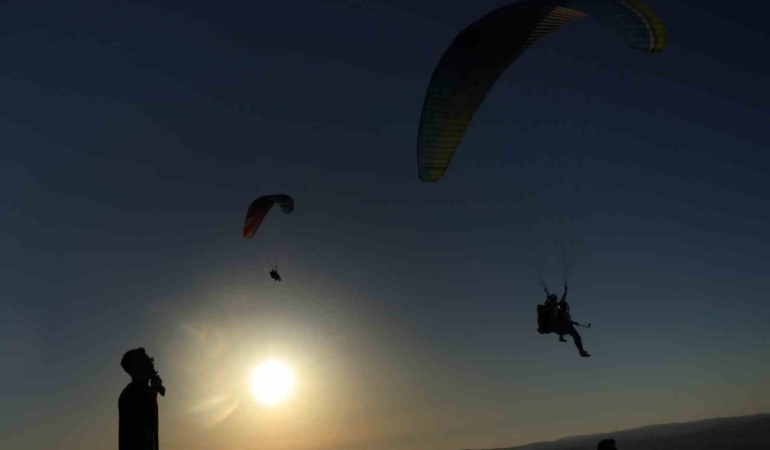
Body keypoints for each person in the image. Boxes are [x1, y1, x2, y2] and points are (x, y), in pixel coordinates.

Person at [119, 348, 165, 450]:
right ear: (139, 367)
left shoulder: (140, 392)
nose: (152, 365)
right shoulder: (131, 394)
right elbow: (143, 432)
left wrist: (154, 390)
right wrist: (154, 389)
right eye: (148, 362)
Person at [543, 286, 590, 357]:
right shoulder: (557, 306)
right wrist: (565, 291)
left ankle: (560, 337)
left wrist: (547, 294)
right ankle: (581, 351)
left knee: (560, 324)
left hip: (555, 328)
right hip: (564, 327)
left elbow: (557, 313)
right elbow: (562, 317)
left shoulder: (548, 306)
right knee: (577, 337)